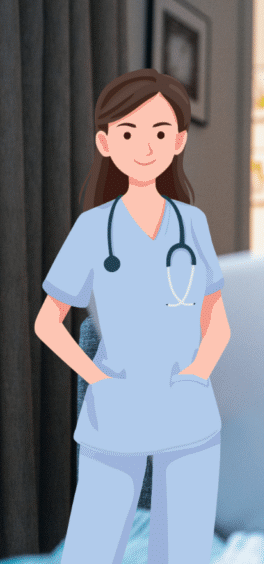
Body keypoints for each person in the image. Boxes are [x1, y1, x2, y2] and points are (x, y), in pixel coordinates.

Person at [34, 69, 230, 564]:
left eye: (160, 133)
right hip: (114, 417)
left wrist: (196, 376)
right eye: (129, 133)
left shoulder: (193, 224)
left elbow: (217, 320)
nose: (145, 146)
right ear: (105, 142)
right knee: (91, 552)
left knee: (184, 554)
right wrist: (98, 379)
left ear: (179, 141)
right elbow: (47, 321)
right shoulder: (91, 228)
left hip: (189, 415)